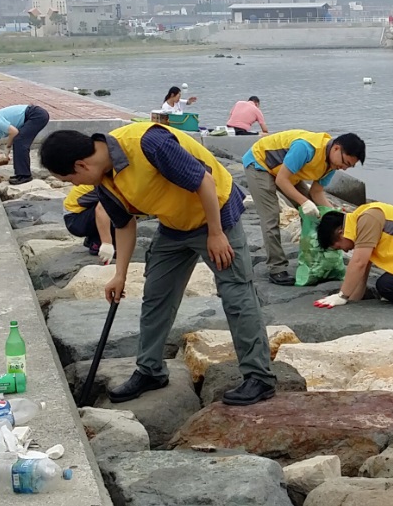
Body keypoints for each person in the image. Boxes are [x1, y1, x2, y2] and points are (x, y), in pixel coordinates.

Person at [39, 122, 276, 407]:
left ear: (80, 165)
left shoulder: (148, 143)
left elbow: (204, 181)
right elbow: (124, 224)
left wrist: (216, 233)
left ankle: (259, 378)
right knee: (155, 296)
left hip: (217, 214)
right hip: (174, 225)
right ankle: (150, 370)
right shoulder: (104, 180)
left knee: (237, 294)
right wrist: (120, 275)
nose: (74, 186)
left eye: (68, 180)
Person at [243, 130, 365, 285]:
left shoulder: (332, 164)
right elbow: (282, 180)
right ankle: (276, 269)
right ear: (336, 148)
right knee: (271, 216)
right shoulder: (306, 148)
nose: (344, 168)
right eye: (345, 163)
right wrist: (304, 202)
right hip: (260, 165)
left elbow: (317, 192)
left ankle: (314, 260)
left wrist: (334, 214)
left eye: (349, 166)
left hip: (286, 172)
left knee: (316, 214)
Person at [0, 105, 51, 186]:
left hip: (36, 115)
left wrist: (8, 146)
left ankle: (24, 176)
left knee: (19, 141)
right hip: (31, 118)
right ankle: (21, 174)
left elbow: (14, 132)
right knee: (19, 140)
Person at [62, 183, 116, 263]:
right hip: (74, 218)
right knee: (119, 207)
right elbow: (101, 209)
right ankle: (98, 242)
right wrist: (107, 243)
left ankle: (94, 239)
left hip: (82, 213)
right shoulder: (112, 181)